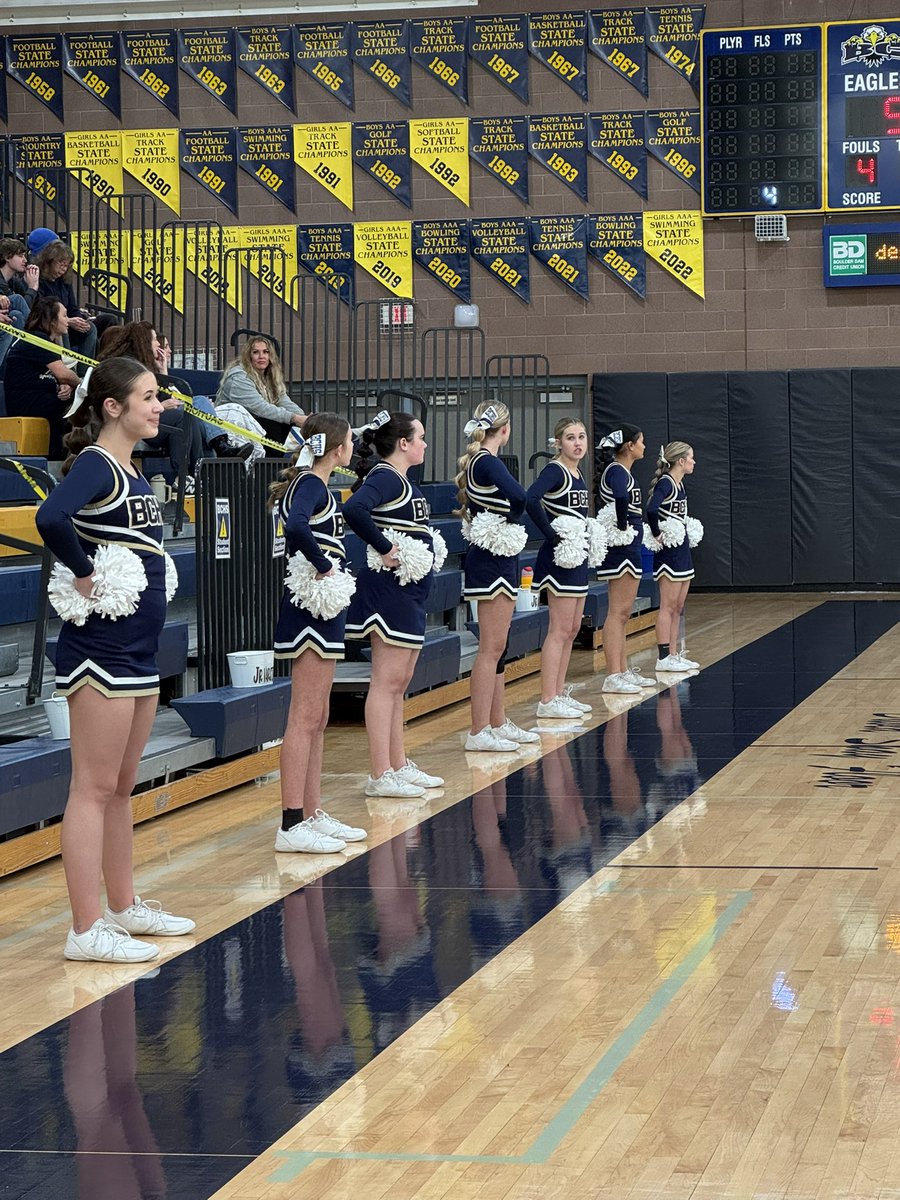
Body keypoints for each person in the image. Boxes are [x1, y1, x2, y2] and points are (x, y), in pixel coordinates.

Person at [35, 356, 195, 962]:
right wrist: (83, 572)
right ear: (113, 407)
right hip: (101, 650)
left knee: (123, 786)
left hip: (138, 650)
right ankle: (84, 928)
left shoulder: (132, 471)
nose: (159, 407)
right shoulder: (98, 466)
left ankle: (123, 907)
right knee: (93, 787)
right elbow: (51, 515)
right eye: (149, 397)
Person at [270, 412, 366, 854]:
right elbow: (295, 528)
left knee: (319, 715)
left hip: (320, 609)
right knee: (305, 715)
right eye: (349, 440)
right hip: (309, 607)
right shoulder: (310, 483)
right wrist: (325, 566)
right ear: (337, 448)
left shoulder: (315, 483)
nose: (352, 447)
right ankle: (291, 823)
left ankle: (310, 812)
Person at [343, 412, 444, 799]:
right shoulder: (384, 476)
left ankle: (398, 764)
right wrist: (384, 548)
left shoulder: (400, 479)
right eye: (420, 437)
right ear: (403, 443)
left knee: (399, 683)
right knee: (386, 683)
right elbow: (354, 510)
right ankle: (379, 772)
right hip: (388, 591)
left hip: (407, 592)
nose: (424, 444)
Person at [456, 402, 539, 751]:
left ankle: (497, 721)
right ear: (505, 430)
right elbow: (522, 497)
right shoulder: (488, 461)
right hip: (491, 557)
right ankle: (479, 731)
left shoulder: (479, 461)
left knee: (498, 647)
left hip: (496, 555)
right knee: (491, 648)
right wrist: (512, 517)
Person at [98, 321, 233, 483]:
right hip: (129, 421)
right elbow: (137, 404)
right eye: (155, 339)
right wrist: (163, 406)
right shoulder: (130, 367)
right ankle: (186, 476)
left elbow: (164, 397)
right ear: (144, 341)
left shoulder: (146, 364)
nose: (158, 344)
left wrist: (163, 371)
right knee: (183, 418)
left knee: (193, 419)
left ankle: (197, 475)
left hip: (150, 418)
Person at [525, 417, 594, 720]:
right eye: (570, 437)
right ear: (558, 443)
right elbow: (530, 498)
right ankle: (547, 699)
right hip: (558, 558)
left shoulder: (577, 473)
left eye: (581, 436)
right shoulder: (554, 470)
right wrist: (550, 534)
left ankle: (558, 692)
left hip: (576, 557)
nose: (578, 443)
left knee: (573, 629)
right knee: (560, 629)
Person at [595, 424, 655, 695]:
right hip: (620, 546)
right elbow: (619, 497)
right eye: (641, 441)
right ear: (630, 445)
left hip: (629, 545)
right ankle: (613, 674)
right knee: (617, 613)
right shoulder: (617, 471)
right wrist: (621, 525)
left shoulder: (624, 471)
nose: (644, 446)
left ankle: (621, 669)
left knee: (624, 613)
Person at [2, 297, 80, 458]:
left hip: (41, 395)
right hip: (25, 401)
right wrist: (86, 383)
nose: (68, 321)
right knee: (78, 406)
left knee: (69, 401)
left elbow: (58, 377)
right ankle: (63, 456)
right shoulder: (38, 339)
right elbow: (63, 373)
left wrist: (65, 386)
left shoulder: (48, 341)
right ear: (51, 320)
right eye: (64, 316)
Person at [646, 441, 700, 673]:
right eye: (691, 457)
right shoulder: (666, 483)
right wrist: (658, 533)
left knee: (678, 606)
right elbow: (651, 509)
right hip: (669, 552)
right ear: (680, 461)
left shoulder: (680, 484)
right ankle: (663, 656)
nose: (694, 462)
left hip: (682, 550)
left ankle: (675, 654)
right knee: (667, 606)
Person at [216, 335, 306, 443]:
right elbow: (260, 408)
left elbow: (283, 401)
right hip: (231, 427)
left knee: (290, 425)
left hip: (255, 422)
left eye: (266, 352)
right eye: (255, 352)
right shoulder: (239, 378)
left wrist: (304, 419)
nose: (261, 356)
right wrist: (294, 418)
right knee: (271, 425)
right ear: (248, 356)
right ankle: (270, 459)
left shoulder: (270, 377)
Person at [36, 239, 99, 359]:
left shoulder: (65, 282)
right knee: (61, 328)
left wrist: (80, 321)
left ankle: (84, 370)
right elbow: (41, 311)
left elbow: (73, 307)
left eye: (66, 266)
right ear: (50, 261)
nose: (64, 269)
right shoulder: (39, 280)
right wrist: (68, 321)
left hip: (68, 323)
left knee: (90, 328)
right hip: (49, 325)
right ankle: (69, 368)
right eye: (61, 264)